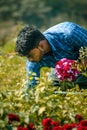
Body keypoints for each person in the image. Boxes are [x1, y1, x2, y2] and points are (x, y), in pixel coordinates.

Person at [15, 21, 87, 89]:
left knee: (80, 84)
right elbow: (31, 86)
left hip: (83, 60)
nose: (29, 59)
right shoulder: (34, 60)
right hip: (63, 68)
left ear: (41, 46)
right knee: (52, 89)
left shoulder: (69, 34)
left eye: (30, 55)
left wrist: (78, 68)